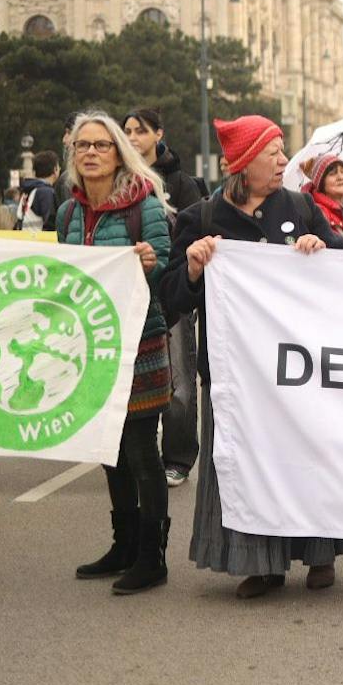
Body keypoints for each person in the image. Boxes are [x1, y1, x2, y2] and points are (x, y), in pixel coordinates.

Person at [162, 115, 343, 599]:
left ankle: (321, 553)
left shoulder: (300, 206)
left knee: (309, 457)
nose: (283, 160)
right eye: (272, 151)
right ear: (242, 162)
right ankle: (260, 562)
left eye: (282, 150)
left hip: (300, 372)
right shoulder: (202, 219)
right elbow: (171, 299)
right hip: (236, 377)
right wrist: (192, 269)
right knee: (245, 466)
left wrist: (323, 249)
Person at [56, 112, 174, 595]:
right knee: (109, 448)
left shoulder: (142, 204)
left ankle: (152, 556)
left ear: (118, 151)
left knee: (142, 450)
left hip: (140, 341)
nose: (90, 153)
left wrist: (150, 260)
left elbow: (163, 262)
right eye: (82, 145)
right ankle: (122, 544)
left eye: (101, 145)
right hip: (92, 347)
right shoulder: (66, 213)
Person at [123, 108, 206, 488]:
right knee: (129, 376)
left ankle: (177, 457)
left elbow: (192, 232)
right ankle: (137, 455)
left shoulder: (182, 183)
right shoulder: (119, 180)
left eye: (140, 131)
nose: (134, 138)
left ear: (159, 134)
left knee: (179, 381)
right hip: (126, 291)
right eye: (127, 131)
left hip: (171, 292)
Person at [16, 150, 60, 231]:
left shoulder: (29, 190)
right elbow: (50, 223)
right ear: (55, 170)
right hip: (39, 241)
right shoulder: (45, 192)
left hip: (25, 240)